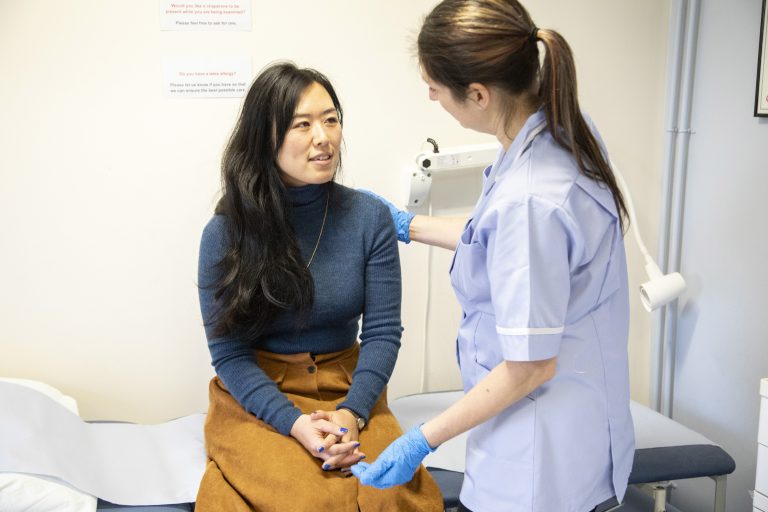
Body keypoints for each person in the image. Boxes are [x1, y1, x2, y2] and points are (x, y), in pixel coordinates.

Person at [351, 1, 635, 511]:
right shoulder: (558, 131)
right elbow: (499, 241)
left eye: (434, 87)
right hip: (568, 417)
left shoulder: (530, 197)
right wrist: (405, 224)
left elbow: (528, 367)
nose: (430, 95)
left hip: (539, 455)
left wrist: (424, 438)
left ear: (478, 94)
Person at [195, 62, 442, 511]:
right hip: (261, 395)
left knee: (391, 495)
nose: (323, 137)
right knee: (305, 499)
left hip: (349, 388)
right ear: (264, 137)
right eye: (302, 124)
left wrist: (352, 412)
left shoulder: (370, 219)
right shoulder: (225, 233)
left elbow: (384, 333)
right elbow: (229, 353)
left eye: (331, 119)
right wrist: (294, 423)